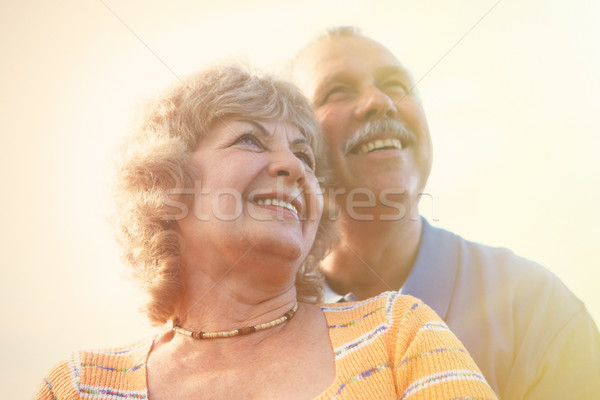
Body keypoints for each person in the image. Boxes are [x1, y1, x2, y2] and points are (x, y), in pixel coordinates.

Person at [35, 64, 498, 399]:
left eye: (306, 158)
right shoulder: (79, 386)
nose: (292, 168)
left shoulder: (399, 334)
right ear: (167, 186)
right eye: (250, 139)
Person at [288, 26, 600, 399]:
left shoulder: (535, 310)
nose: (379, 101)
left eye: (396, 85)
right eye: (338, 91)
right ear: (295, 149)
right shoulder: (260, 325)